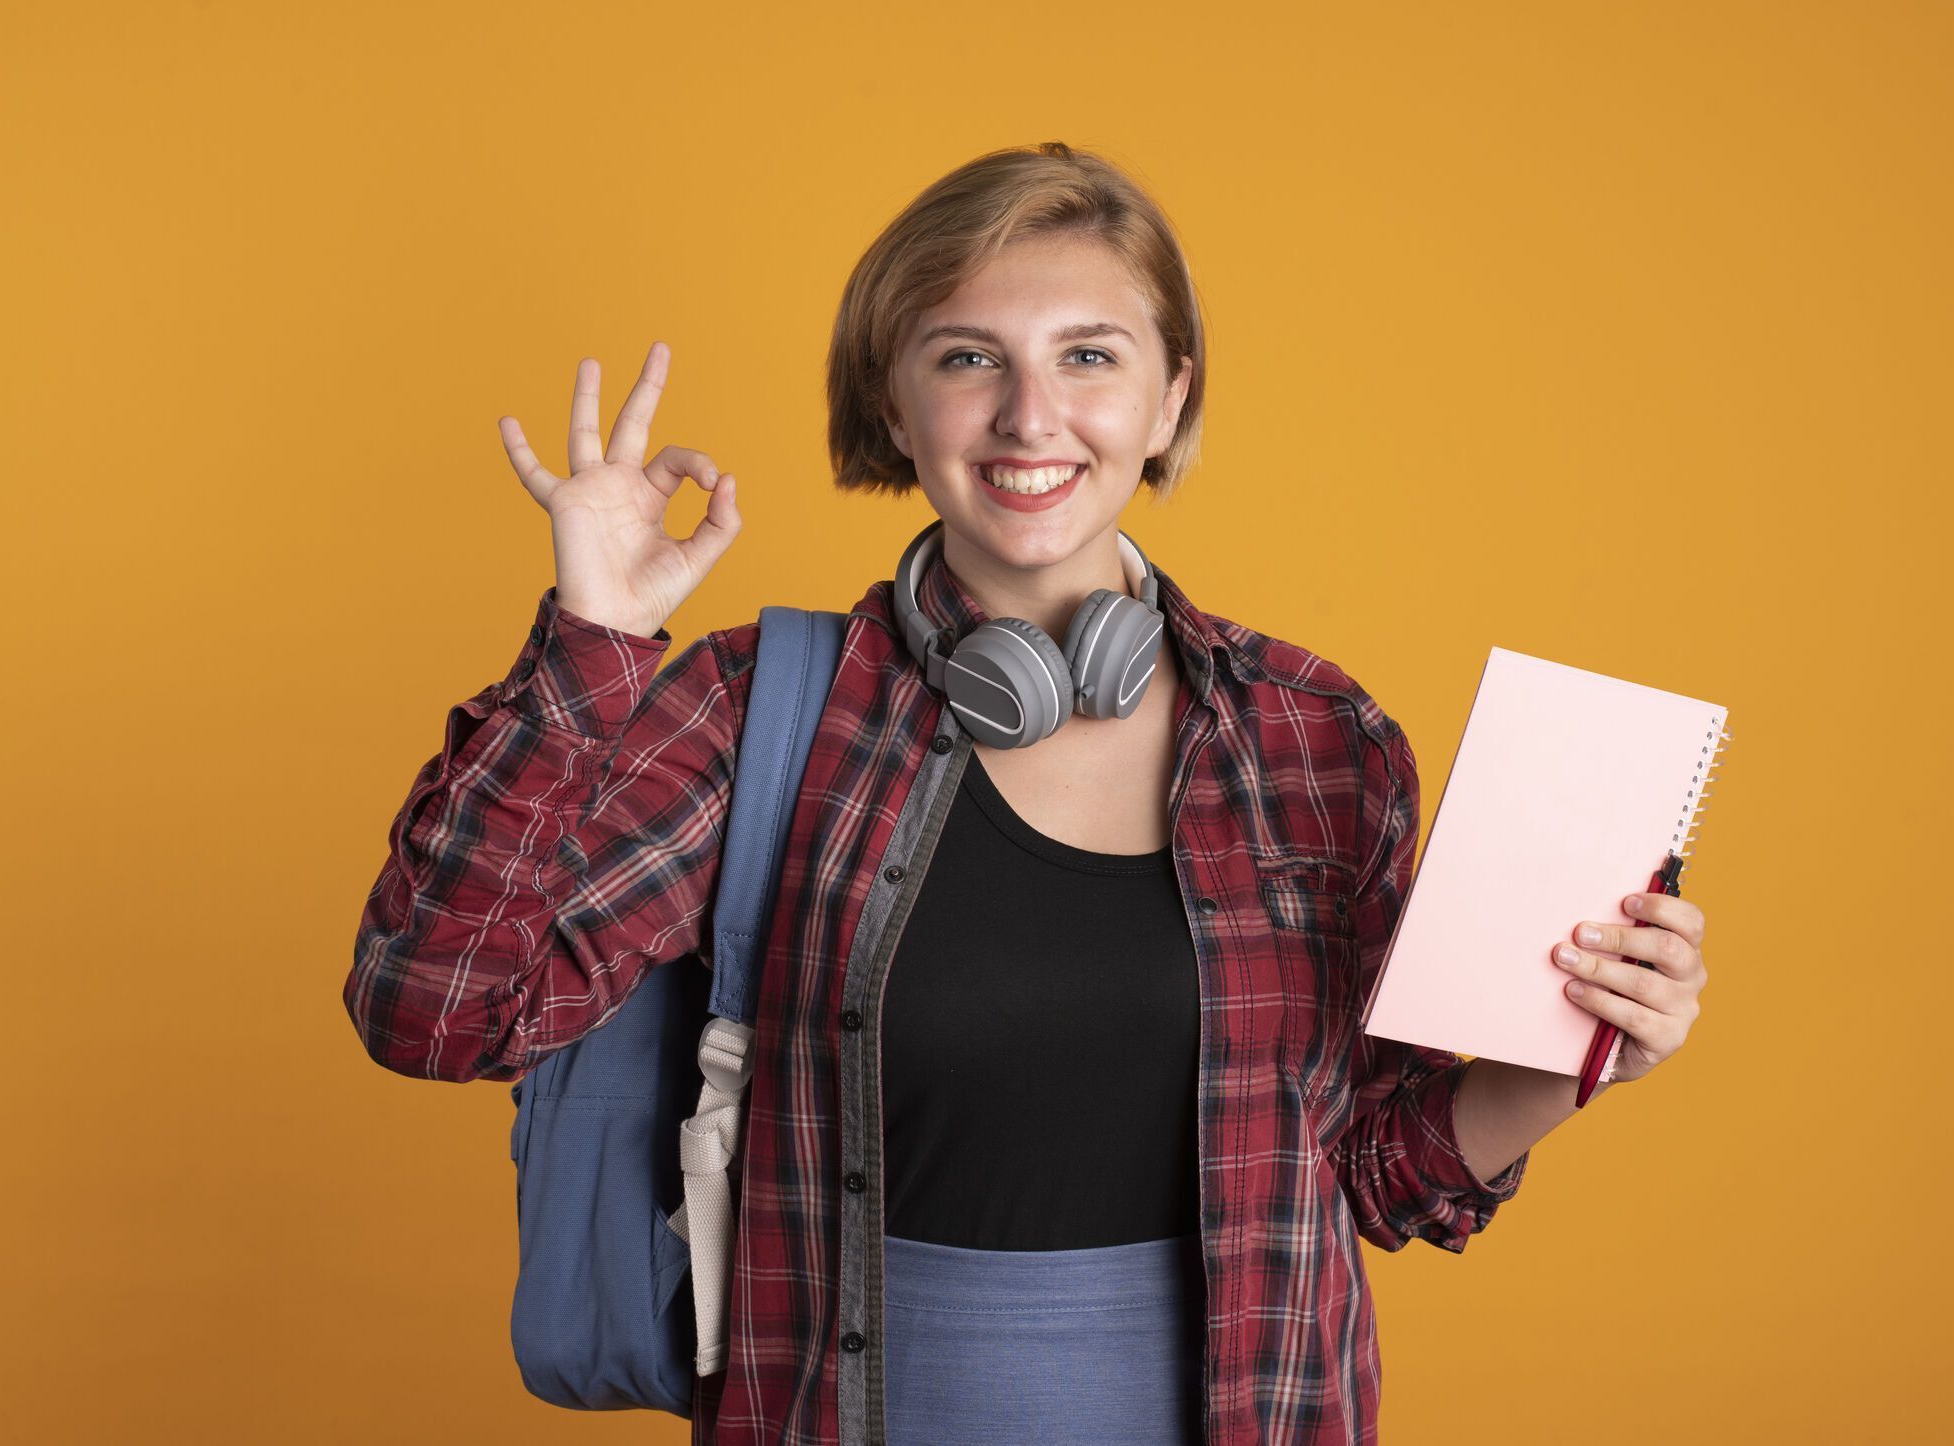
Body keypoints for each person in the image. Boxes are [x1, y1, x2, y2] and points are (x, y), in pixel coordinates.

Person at [345, 141, 1710, 1446]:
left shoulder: (1315, 742)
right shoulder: (760, 705)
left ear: (1170, 397)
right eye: (966, 358)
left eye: (1089, 357)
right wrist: (595, 639)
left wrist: (1563, 1060)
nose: (1029, 417)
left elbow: (1368, 1171)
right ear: (894, 402)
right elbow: (439, 1012)